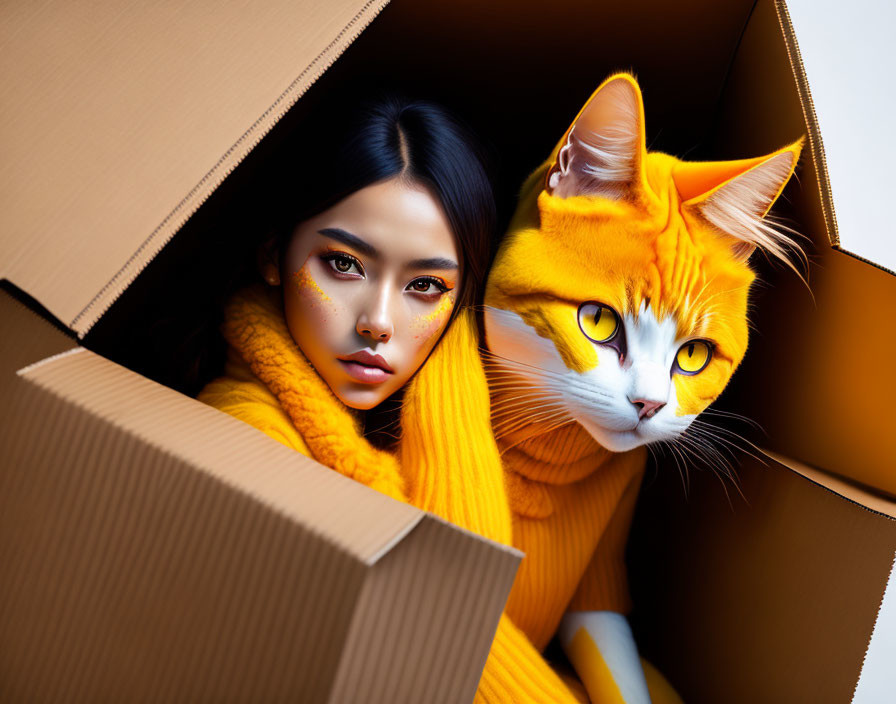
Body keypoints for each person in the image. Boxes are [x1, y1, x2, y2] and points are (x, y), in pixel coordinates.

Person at [197, 93, 592, 702]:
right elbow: (435, 622)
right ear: (276, 255)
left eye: (425, 285)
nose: (379, 321)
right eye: (344, 265)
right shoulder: (244, 430)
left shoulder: (475, 403)